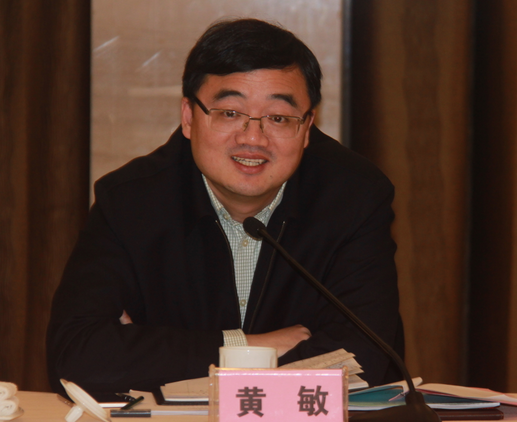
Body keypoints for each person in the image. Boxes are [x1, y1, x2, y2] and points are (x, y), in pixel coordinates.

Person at [46, 18, 404, 395]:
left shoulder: (353, 197)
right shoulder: (130, 202)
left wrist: (154, 354)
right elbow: (76, 356)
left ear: (306, 128)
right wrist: (246, 347)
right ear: (189, 117)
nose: (253, 138)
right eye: (230, 113)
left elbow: (363, 357)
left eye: (278, 118)